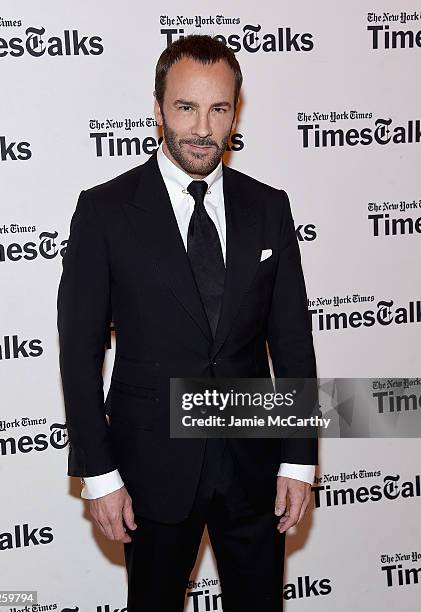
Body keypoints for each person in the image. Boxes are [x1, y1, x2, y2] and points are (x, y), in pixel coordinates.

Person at [57, 34, 318, 612]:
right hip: (150, 467)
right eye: (186, 107)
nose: (202, 127)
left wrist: (299, 459)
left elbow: (293, 346)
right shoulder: (103, 210)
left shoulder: (269, 207)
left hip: (254, 466)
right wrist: (98, 474)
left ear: (235, 112)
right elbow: (79, 354)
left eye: (218, 108)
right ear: (158, 109)